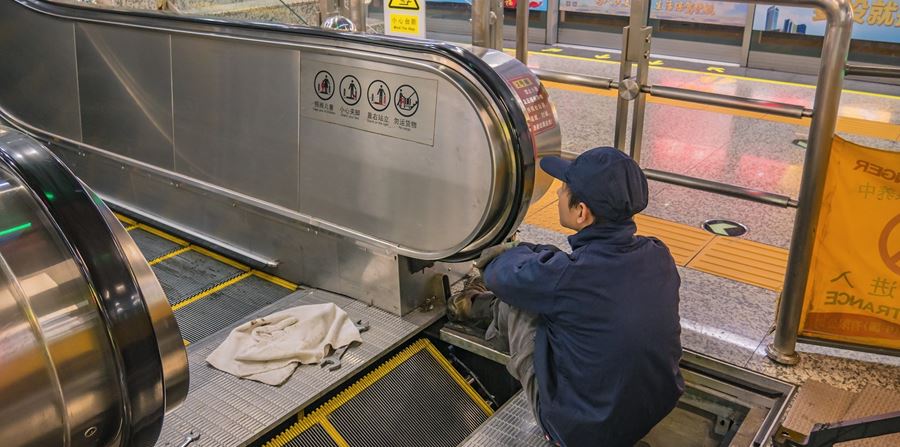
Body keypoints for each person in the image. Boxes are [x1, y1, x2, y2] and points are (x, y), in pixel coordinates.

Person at [449, 147, 684, 447]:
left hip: (578, 433)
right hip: (654, 408)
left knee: (519, 301)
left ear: (581, 212)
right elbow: (566, 275)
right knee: (544, 288)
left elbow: (501, 275)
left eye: (563, 189)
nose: (559, 194)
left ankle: (471, 311)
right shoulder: (658, 254)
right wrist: (537, 255)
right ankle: (478, 306)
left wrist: (509, 250)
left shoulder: (568, 277)